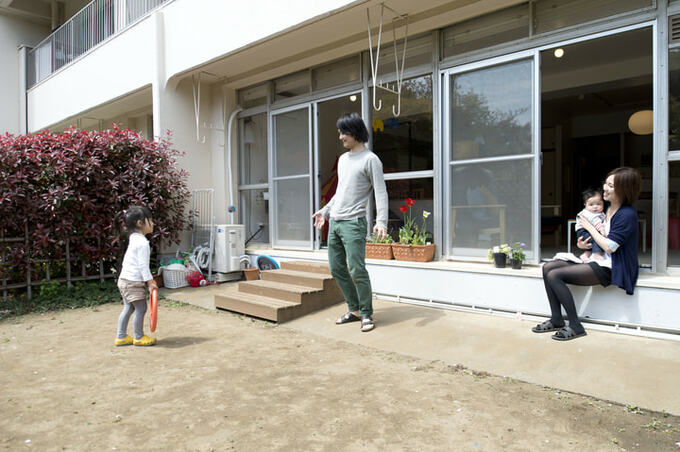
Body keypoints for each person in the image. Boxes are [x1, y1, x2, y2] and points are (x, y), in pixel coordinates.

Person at [532, 167, 641, 341]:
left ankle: (575, 326)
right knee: (548, 267)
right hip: (598, 259)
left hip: (613, 266)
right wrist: (582, 245)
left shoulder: (627, 214)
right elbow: (596, 238)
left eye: (610, 185)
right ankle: (557, 319)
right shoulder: (606, 209)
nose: (605, 188)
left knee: (555, 275)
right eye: (605, 183)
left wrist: (589, 227)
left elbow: (610, 247)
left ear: (623, 189)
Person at [312, 113, 388, 333]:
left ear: (355, 132)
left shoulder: (371, 159)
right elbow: (340, 191)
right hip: (335, 222)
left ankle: (366, 313)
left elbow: (380, 192)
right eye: (339, 133)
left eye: (343, 133)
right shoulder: (344, 159)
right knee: (337, 269)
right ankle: (354, 310)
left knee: (357, 270)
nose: (340, 137)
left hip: (354, 223)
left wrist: (381, 221)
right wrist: (325, 212)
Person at [115, 206, 158, 346]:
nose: (153, 223)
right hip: (132, 282)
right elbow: (143, 266)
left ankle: (121, 336)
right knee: (141, 308)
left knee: (128, 308)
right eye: (150, 220)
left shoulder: (133, 238)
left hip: (124, 280)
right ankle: (138, 337)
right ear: (140, 223)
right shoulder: (143, 243)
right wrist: (150, 282)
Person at [575, 188, 607, 263]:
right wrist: (602, 230)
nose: (595, 207)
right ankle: (597, 254)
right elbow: (595, 221)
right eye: (591, 204)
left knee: (591, 244)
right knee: (596, 239)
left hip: (589, 231)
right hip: (583, 231)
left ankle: (585, 255)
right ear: (585, 204)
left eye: (598, 204)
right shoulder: (586, 213)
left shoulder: (601, 213)